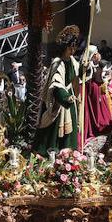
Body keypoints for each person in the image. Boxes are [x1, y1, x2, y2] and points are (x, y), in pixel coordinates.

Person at [35, 25, 81, 154]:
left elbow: (79, 73)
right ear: (65, 47)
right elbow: (56, 84)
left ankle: (69, 159)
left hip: (70, 101)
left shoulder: (72, 61)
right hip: (59, 103)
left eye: (75, 46)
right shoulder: (57, 63)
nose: (74, 49)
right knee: (53, 135)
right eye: (71, 46)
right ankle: (50, 157)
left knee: (69, 136)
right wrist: (65, 97)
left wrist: (86, 67)